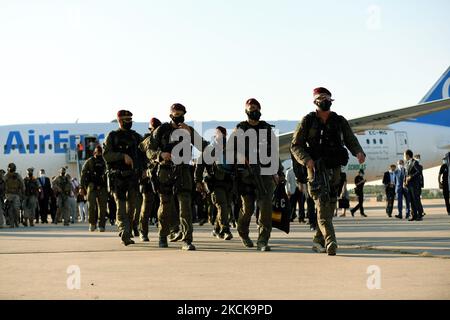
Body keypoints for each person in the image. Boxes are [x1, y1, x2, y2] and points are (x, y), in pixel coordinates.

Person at [291, 87, 365, 255]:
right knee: (322, 204)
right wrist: (307, 160)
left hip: (335, 168)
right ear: (315, 101)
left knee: (330, 206)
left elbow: (350, 139)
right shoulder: (307, 121)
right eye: (321, 97)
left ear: (331, 100)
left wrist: (358, 152)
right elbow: (296, 145)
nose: (324, 100)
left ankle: (318, 240)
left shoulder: (339, 121)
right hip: (316, 169)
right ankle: (331, 241)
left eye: (327, 97)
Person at [140, 103, 209, 250]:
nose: (178, 116)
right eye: (175, 114)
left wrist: (190, 133)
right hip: (165, 171)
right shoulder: (162, 130)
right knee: (165, 206)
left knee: (185, 207)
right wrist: (160, 155)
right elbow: (148, 149)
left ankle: (187, 240)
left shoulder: (188, 130)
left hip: (183, 171)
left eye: (180, 113)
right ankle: (162, 236)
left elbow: (205, 147)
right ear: (171, 114)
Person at [231, 98, 284, 252]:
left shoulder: (266, 129)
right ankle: (243, 233)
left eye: (256, 107)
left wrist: (279, 172)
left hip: (266, 174)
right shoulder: (240, 129)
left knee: (266, 208)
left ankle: (263, 240)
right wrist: (241, 157)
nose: (253, 109)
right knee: (247, 209)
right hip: (246, 175)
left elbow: (274, 152)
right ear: (246, 110)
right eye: (250, 107)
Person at [103, 110, 145, 246]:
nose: (129, 122)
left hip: (132, 178)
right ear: (120, 121)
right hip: (118, 178)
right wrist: (122, 156)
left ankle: (129, 229)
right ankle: (125, 233)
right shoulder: (112, 136)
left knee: (132, 208)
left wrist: (144, 169)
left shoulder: (136, 137)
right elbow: (107, 155)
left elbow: (143, 154)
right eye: (126, 120)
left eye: (130, 119)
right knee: (121, 208)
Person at [195, 126, 234, 241]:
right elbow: (200, 165)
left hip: (227, 183)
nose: (221, 136)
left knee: (225, 207)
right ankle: (225, 230)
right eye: (219, 134)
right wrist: (198, 181)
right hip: (215, 182)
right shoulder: (209, 149)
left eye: (223, 134)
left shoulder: (230, 149)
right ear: (215, 135)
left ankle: (216, 229)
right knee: (222, 205)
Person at [138, 117, 162, 242]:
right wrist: (144, 171)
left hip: (162, 177)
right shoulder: (146, 141)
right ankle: (143, 231)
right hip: (148, 178)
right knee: (146, 207)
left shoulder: (164, 139)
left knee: (164, 205)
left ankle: (166, 232)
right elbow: (140, 158)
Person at [80, 145, 108, 232]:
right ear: (94, 152)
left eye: (100, 152)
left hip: (103, 187)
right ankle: (92, 224)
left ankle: (101, 225)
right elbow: (83, 174)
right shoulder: (89, 161)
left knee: (102, 208)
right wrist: (81, 187)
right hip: (92, 187)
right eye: (97, 152)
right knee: (91, 207)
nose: (98, 154)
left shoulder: (105, 161)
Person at [404, 150, 423, 221]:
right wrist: (404, 181)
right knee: (411, 200)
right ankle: (414, 215)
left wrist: (411, 177)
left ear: (408, 155)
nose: (404, 157)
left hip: (414, 185)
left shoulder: (415, 162)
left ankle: (420, 215)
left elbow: (419, 172)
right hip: (409, 185)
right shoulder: (406, 163)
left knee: (416, 200)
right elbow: (406, 174)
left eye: (404, 155)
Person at [4, 163, 25, 228]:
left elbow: (22, 184)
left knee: (16, 209)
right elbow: (2, 183)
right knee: (10, 210)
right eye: (10, 167)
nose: (11, 168)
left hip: (16, 195)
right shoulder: (6, 176)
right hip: (8, 194)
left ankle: (16, 222)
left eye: (13, 167)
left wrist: (23, 193)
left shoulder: (17, 175)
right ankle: (11, 223)